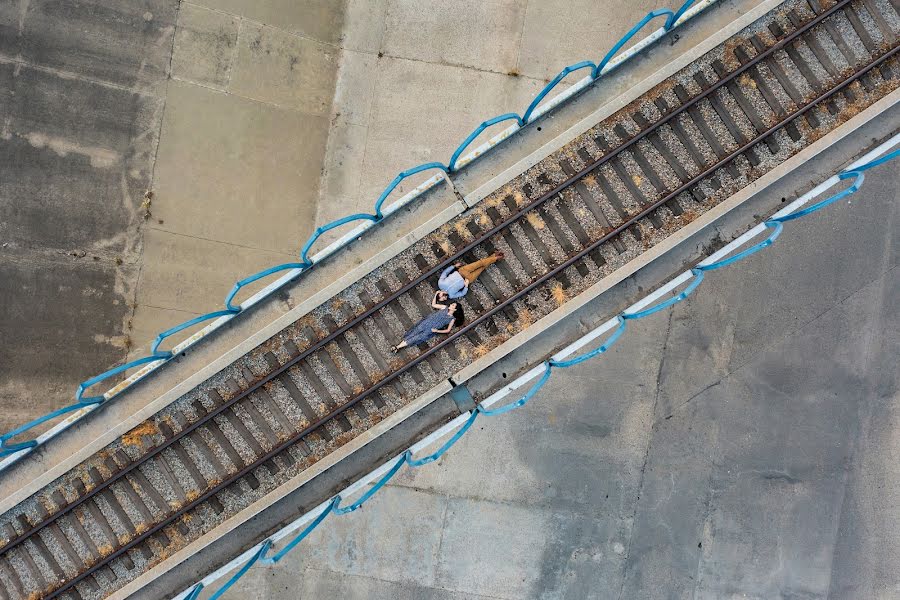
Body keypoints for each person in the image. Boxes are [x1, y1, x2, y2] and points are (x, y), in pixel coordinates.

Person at [391, 291, 465, 351]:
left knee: (416, 338)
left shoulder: (452, 319)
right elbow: (433, 304)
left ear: (455, 309)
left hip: (431, 329)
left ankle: (398, 347)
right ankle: (398, 346)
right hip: (426, 323)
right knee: (413, 333)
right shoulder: (444, 307)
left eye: (453, 305)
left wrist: (437, 331)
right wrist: (436, 294)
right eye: (452, 304)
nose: (451, 305)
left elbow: (448, 330)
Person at [438, 252, 504, 299]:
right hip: (468, 279)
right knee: (481, 268)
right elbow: (462, 293)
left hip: (462, 271)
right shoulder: (451, 295)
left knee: (479, 263)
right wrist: (466, 286)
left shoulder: (440, 284)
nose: (444, 298)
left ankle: (495, 257)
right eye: (444, 299)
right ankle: (494, 256)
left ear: (438, 293)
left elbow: (445, 272)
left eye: (442, 297)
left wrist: (454, 266)